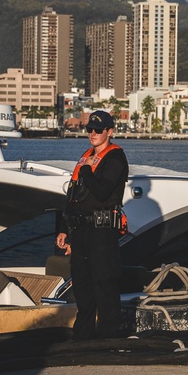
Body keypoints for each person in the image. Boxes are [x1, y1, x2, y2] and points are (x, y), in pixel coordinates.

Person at [56, 110, 129, 340]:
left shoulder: (115, 158)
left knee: (104, 284)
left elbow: (102, 191)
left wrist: (87, 169)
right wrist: (64, 229)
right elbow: (72, 197)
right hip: (80, 231)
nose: (93, 134)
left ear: (109, 132)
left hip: (102, 231)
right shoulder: (85, 157)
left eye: (98, 130)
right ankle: (83, 335)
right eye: (90, 130)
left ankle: (109, 336)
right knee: (82, 284)